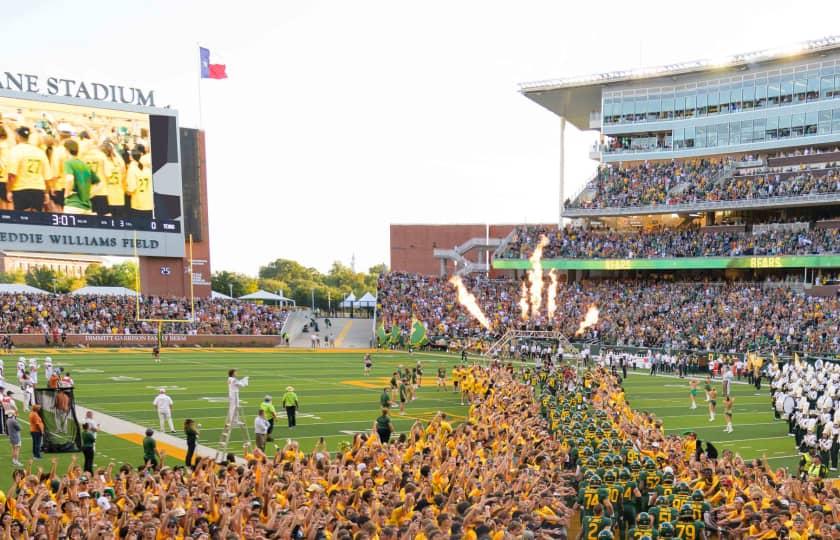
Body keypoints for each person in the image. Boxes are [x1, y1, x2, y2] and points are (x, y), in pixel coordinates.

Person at [6, 126, 51, 211]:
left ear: (17, 136)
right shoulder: (40, 152)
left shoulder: (15, 150)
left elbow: (12, 174)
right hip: (38, 189)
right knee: (36, 220)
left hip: (21, 189)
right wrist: (46, 192)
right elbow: (47, 176)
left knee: (21, 219)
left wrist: (9, 190)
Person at [61, 139, 100, 215]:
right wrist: (89, 195)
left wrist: (66, 193)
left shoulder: (69, 163)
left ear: (67, 150)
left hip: (73, 205)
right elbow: (100, 184)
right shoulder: (85, 165)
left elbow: (70, 179)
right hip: (87, 206)